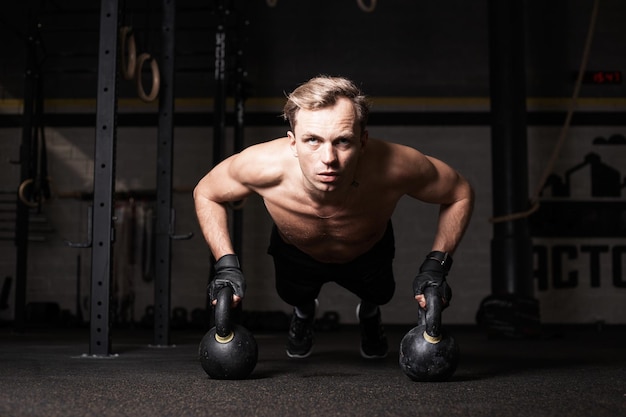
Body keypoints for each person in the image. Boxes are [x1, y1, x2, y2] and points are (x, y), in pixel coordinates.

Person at [194, 75, 474, 359]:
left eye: (342, 141)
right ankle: (303, 313)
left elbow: (459, 192)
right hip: (296, 252)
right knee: (292, 296)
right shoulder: (261, 166)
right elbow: (206, 192)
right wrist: (226, 264)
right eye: (312, 140)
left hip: (367, 252)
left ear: (362, 141)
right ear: (292, 142)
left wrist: (437, 264)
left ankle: (369, 312)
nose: (328, 158)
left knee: (381, 294)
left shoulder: (396, 166)